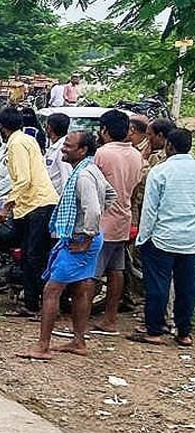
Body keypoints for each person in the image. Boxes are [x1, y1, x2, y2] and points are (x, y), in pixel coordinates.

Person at [17, 131, 111, 359]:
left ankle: (43, 346)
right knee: (81, 289)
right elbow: (110, 195)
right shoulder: (90, 170)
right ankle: (78, 342)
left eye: (68, 146)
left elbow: (96, 209)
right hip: (84, 238)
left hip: (80, 241)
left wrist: (87, 235)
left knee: (51, 290)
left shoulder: (84, 176)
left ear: (83, 150)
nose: (63, 149)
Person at [130, 128, 195, 348]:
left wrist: (143, 237)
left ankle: (154, 331)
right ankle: (184, 332)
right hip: (190, 240)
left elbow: (150, 209)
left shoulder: (161, 171)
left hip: (161, 238)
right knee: (187, 287)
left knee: (158, 286)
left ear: (169, 146)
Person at [0, 107, 60, 318]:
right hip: (34, 204)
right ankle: (30, 302)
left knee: (33, 257)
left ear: (1, 127)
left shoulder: (16, 144)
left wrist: (6, 206)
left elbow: (23, 179)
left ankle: (37, 305)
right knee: (29, 255)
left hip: (36, 205)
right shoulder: (27, 138)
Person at [92, 108, 144, 334]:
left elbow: (94, 188)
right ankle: (110, 318)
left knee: (91, 273)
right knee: (116, 270)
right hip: (124, 218)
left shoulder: (103, 153)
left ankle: (81, 319)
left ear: (104, 130)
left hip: (103, 220)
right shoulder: (136, 155)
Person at [133, 119, 175, 228]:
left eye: (149, 134)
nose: (147, 138)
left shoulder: (160, 158)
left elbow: (144, 180)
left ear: (160, 136)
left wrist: (143, 159)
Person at [43, 112, 72, 194]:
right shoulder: (53, 146)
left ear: (49, 128)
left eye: (45, 125)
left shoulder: (62, 149)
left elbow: (66, 176)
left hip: (56, 198)